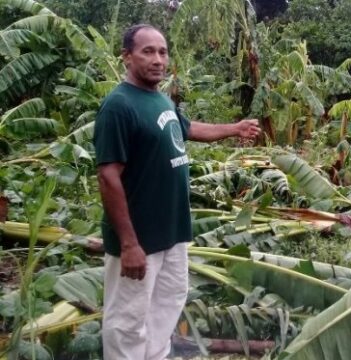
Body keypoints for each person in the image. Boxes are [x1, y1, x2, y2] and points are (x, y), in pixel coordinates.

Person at [93, 24, 261, 360]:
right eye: (148, 51)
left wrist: (235, 128)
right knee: (128, 320)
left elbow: (188, 129)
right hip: (140, 239)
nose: (158, 59)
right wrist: (128, 244)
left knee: (167, 303)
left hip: (172, 232)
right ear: (127, 57)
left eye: (163, 51)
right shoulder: (119, 106)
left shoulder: (160, 100)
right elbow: (108, 177)